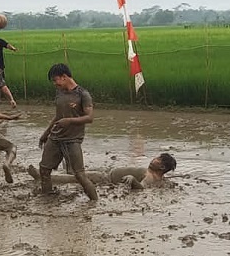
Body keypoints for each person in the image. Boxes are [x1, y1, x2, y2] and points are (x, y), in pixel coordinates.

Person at [37, 63, 98, 201]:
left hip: (72, 140)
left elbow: (89, 118)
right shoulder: (59, 92)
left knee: (79, 174)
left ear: (64, 77)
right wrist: (45, 134)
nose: (54, 84)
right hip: (55, 138)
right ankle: (47, 199)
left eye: (55, 80)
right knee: (44, 170)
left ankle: (95, 203)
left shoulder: (83, 94)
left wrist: (69, 121)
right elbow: (58, 116)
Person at [27, 153, 177, 189]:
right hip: (107, 176)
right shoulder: (158, 179)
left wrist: (133, 180)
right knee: (77, 175)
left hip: (106, 179)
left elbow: (142, 187)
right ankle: (51, 176)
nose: (154, 158)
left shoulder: (150, 176)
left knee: (77, 178)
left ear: (162, 167)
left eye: (158, 159)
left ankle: (43, 177)